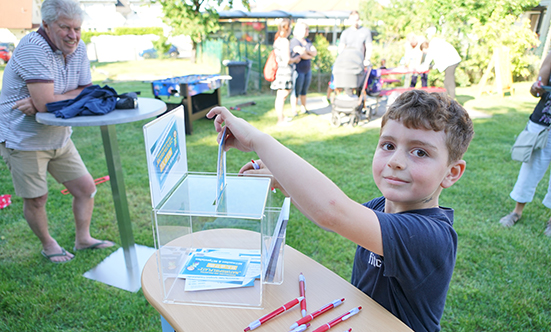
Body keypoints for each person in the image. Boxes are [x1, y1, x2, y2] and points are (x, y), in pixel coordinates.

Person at [207, 89, 474, 332]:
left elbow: (333, 212)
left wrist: (257, 139)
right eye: (388, 146)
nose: (395, 162)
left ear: (451, 173)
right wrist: (281, 181)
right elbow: (329, 218)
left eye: (419, 152)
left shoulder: (429, 236)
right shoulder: (382, 208)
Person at [0, 0, 114, 263]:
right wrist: (49, 101)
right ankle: (49, 245)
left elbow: (88, 91)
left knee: (85, 188)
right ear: (47, 25)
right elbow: (46, 103)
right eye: (65, 27)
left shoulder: (78, 47)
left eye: (77, 28)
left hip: (59, 135)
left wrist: (52, 100)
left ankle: (83, 239)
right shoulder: (33, 47)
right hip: (24, 138)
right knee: (37, 198)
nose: (73, 35)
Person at [499, 51, 551, 236]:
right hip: (543, 123)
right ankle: (516, 212)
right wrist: (536, 87)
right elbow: (536, 90)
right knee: (530, 169)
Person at [332, 10, 373, 94]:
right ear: (350, 20)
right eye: (353, 20)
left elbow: (369, 47)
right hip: (348, 62)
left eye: (357, 19)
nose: (355, 22)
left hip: (360, 62)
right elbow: (341, 49)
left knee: (360, 86)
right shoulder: (345, 33)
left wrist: (367, 59)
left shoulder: (365, 31)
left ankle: (360, 99)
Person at [270, 18, 301, 125]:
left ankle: (281, 117)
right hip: (284, 72)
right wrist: (296, 59)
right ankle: (280, 120)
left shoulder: (277, 40)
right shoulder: (284, 41)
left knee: (281, 96)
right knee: (282, 96)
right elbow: (287, 60)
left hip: (280, 70)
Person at [290, 22, 317, 116]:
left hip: (307, 69)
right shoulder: (294, 41)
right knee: (296, 90)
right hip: (298, 70)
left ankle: (303, 107)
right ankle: (294, 110)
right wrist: (309, 55)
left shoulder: (307, 41)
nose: (307, 31)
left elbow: (314, 52)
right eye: (306, 29)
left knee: (304, 90)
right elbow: (302, 54)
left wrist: (307, 52)